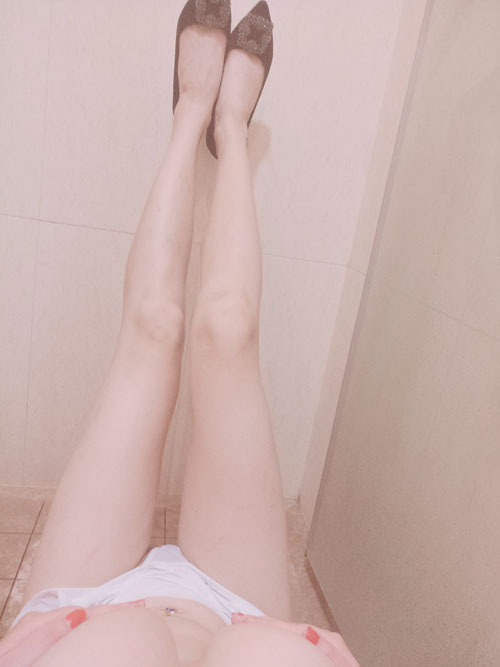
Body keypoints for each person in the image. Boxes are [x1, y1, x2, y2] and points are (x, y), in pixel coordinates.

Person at [0, 1, 360, 665]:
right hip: (237, 609)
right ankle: (230, 126)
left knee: (153, 327)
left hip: (84, 602)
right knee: (227, 330)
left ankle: (191, 108)